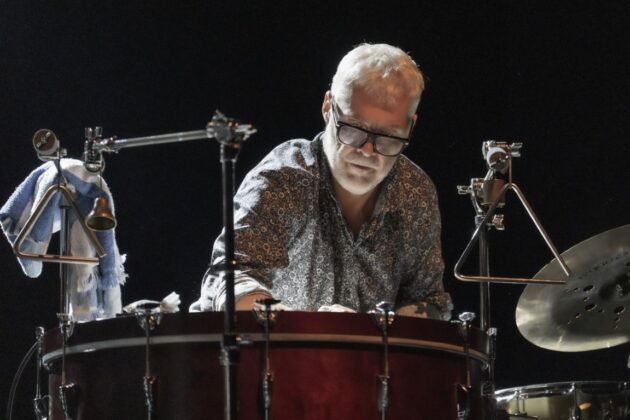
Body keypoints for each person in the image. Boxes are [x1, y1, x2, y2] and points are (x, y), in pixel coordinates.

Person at [190, 43, 453, 320]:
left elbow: (430, 300)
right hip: (262, 348)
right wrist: (315, 328)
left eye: (389, 136)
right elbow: (230, 280)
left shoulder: (414, 192)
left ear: (411, 125)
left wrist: (371, 330)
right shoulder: (284, 180)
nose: (367, 150)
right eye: (353, 129)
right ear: (328, 107)